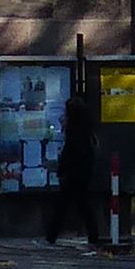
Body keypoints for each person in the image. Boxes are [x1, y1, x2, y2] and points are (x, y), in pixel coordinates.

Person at [45, 74, 102, 247]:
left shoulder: (75, 133)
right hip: (81, 174)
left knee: (65, 207)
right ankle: (92, 236)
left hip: (74, 175)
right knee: (81, 206)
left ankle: (52, 237)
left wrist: (62, 168)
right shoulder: (85, 130)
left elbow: (71, 153)